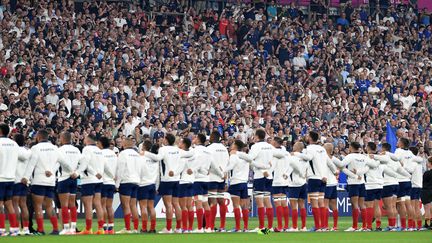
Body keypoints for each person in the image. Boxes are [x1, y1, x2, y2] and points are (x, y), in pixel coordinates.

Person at [143, 133, 193, 234]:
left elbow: (157, 158)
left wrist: (145, 153)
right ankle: (179, 228)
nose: (163, 140)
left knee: (168, 205)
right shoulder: (177, 150)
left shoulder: (163, 149)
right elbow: (190, 154)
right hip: (176, 180)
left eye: (164, 139)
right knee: (176, 204)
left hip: (166, 180)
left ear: (166, 140)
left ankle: (169, 228)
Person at [22, 129, 68, 235]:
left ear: (38, 137)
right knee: (49, 206)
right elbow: (62, 162)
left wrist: (25, 177)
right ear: (47, 137)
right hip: (51, 181)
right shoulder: (55, 148)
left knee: (38, 206)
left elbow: (31, 164)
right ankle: (56, 229)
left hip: (38, 180)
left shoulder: (35, 148)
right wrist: (52, 171)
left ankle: (41, 229)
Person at [237, 129, 274, 231]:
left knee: (260, 202)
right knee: (268, 201)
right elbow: (272, 162)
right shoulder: (270, 146)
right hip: (269, 176)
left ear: (257, 137)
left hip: (259, 176)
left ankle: (262, 227)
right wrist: (268, 170)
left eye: (254, 135)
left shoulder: (256, 146)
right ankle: (269, 227)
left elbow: (250, 158)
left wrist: (239, 154)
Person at [373, 143, 411, 231]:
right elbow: (401, 170)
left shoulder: (385, 157)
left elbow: (375, 158)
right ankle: (397, 225)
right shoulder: (395, 160)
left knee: (389, 206)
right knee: (393, 206)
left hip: (387, 184)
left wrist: (373, 155)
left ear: (383, 149)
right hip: (396, 184)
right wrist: (409, 175)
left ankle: (391, 226)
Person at [0, 125, 28, 236]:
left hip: (0, 178)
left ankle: (1, 229)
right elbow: (25, 156)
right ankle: (14, 228)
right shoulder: (14, 144)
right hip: (11, 178)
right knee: (9, 204)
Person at [333, 142, 368, 232]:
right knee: (362, 205)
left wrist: (348, 172)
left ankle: (355, 226)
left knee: (355, 205)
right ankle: (364, 227)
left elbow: (341, 165)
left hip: (353, 183)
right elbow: (367, 168)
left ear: (351, 148)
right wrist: (359, 173)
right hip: (362, 182)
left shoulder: (350, 156)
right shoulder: (364, 157)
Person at [75, 134, 105, 235]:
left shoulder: (87, 149)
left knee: (88, 205)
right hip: (99, 180)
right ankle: (101, 229)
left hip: (89, 180)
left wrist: (93, 173)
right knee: (98, 204)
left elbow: (85, 163)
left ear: (87, 140)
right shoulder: (99, 150)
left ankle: (88, 229)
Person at [56, 132, 82, 235]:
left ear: (62, 139)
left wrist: (70, 171)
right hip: (74, 179)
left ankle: (66, 228)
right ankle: (73, 228)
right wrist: (76, 172)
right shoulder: (76, 150)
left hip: (64, 178)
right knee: (72, 205)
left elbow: (60, 162)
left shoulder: (59, 150)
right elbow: (82, 162)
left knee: (64, 205)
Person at [116, 137, 141, 234]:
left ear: (125, 144)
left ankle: (127, 228)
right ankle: (135, 228)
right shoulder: (137, 154)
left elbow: (120, 169)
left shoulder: (123, 154)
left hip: (126, 181)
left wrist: (117, 183)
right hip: (136, 181)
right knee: (133, 205)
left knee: (125, 205)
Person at [304, 131, 328, 231]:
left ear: (310, 138)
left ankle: (317, 227)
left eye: (307, 135)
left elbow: (308, 158)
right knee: (321, 203)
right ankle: (323, 226)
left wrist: (297, 154)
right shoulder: (322, 149)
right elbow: (326, 161)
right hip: (323, 178)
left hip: (314, 178)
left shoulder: (309, 149)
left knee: (314, 203)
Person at [207, 131, 230, 232]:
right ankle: (222, 226)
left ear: (212, 138)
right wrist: (225, 178)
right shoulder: (224, 148)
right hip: (223, 177)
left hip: (212, 177)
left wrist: (220, 173)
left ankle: (211, 226)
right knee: (221, 201)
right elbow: (228, 163)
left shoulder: (209, 148)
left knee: (212, 201)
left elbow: (211, 163)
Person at [226, 140, 250, 232]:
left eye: (232, 144)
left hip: (235, 182)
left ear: (235, 146)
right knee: (244, 207)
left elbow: (231, 166)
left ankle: (238, 228)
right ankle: (246, 227)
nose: (231, 145)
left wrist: (222, 171)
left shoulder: (234, 155)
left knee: (236, 206)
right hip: (244, 183)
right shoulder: (245, 157)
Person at [394, 138, 416, 231]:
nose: (397, 142)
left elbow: (394, 162)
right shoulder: (410, 153)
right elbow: (411, 169)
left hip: (400, 180)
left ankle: (403, 226)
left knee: (401, 204)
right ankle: (410, 226)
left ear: (401, 144)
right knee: (409, 204)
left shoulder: (398, 151)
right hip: (408, 181)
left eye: (398, 141)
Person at [12, 133, 31, 235]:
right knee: (23, 205)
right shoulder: (27, 151)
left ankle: (16, 228)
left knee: (14, 204)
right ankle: (26, 229)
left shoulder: (14, 151)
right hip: (24, 180)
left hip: (15, 180)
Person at [191, 134, 212, 233]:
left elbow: (198, 163)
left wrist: (192, 171)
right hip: (206, 180)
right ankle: (207, 227)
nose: (193, 139)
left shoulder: (196, 150)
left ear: (198, 139)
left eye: (195, 137)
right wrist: (221, 173)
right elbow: (213, 164)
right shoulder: (208, 151)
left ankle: (199, 228)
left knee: (198, 203)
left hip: (198, 179)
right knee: (205, 203)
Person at [138, 140, 158, 233]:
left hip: (143, 184)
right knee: (151, 207)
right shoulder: (155, 159)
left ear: (143, 147)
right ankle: (153, 228)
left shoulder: (141, 158)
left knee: (143, 207)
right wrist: (157, 186)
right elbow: (158, 174)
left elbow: (139, 171)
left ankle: (144, 228)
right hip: (152, 184)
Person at [289, 142, 310, 231]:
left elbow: (290, 168)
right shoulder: (305, 159)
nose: (293, 146)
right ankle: (304, 226)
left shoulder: (293, 157)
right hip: (303, 183)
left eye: (294, 145)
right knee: (302, 205)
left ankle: (294, 227)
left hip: (294, 183)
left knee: (294, 206)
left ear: (298, 147)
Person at [270, 137, 290, 232]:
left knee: (278, 203)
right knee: (284, 203)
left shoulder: (275, 154)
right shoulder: (286, 153)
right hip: (285, 181)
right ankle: (285, 226)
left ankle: (280, 226)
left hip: (277, 180)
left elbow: (272, 167)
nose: (271, 143)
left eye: (272, 141)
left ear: (276, 143)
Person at [100, 137, 118, 234]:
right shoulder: (113, 154)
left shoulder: (101, 154)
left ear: (101, 144)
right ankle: (111, 228)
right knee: (109, 206)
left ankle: (103, 227)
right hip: (112, 182)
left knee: (102, 206)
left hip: (103, 182)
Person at [178, 137, 196, 233]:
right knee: (190, 206)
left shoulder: (181, 154)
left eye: (181, 142)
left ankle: (184, 228)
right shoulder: (193, 152)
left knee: (183, 206)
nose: (179, 143)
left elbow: (180, 168)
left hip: (183, 181)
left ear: (184, 144)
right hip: (191, 180)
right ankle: (190, 228)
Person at [421, 157, 432, 229]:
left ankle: (427, 224)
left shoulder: (427, 173)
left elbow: (423, 182)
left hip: (427, 191)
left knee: (427, 208)